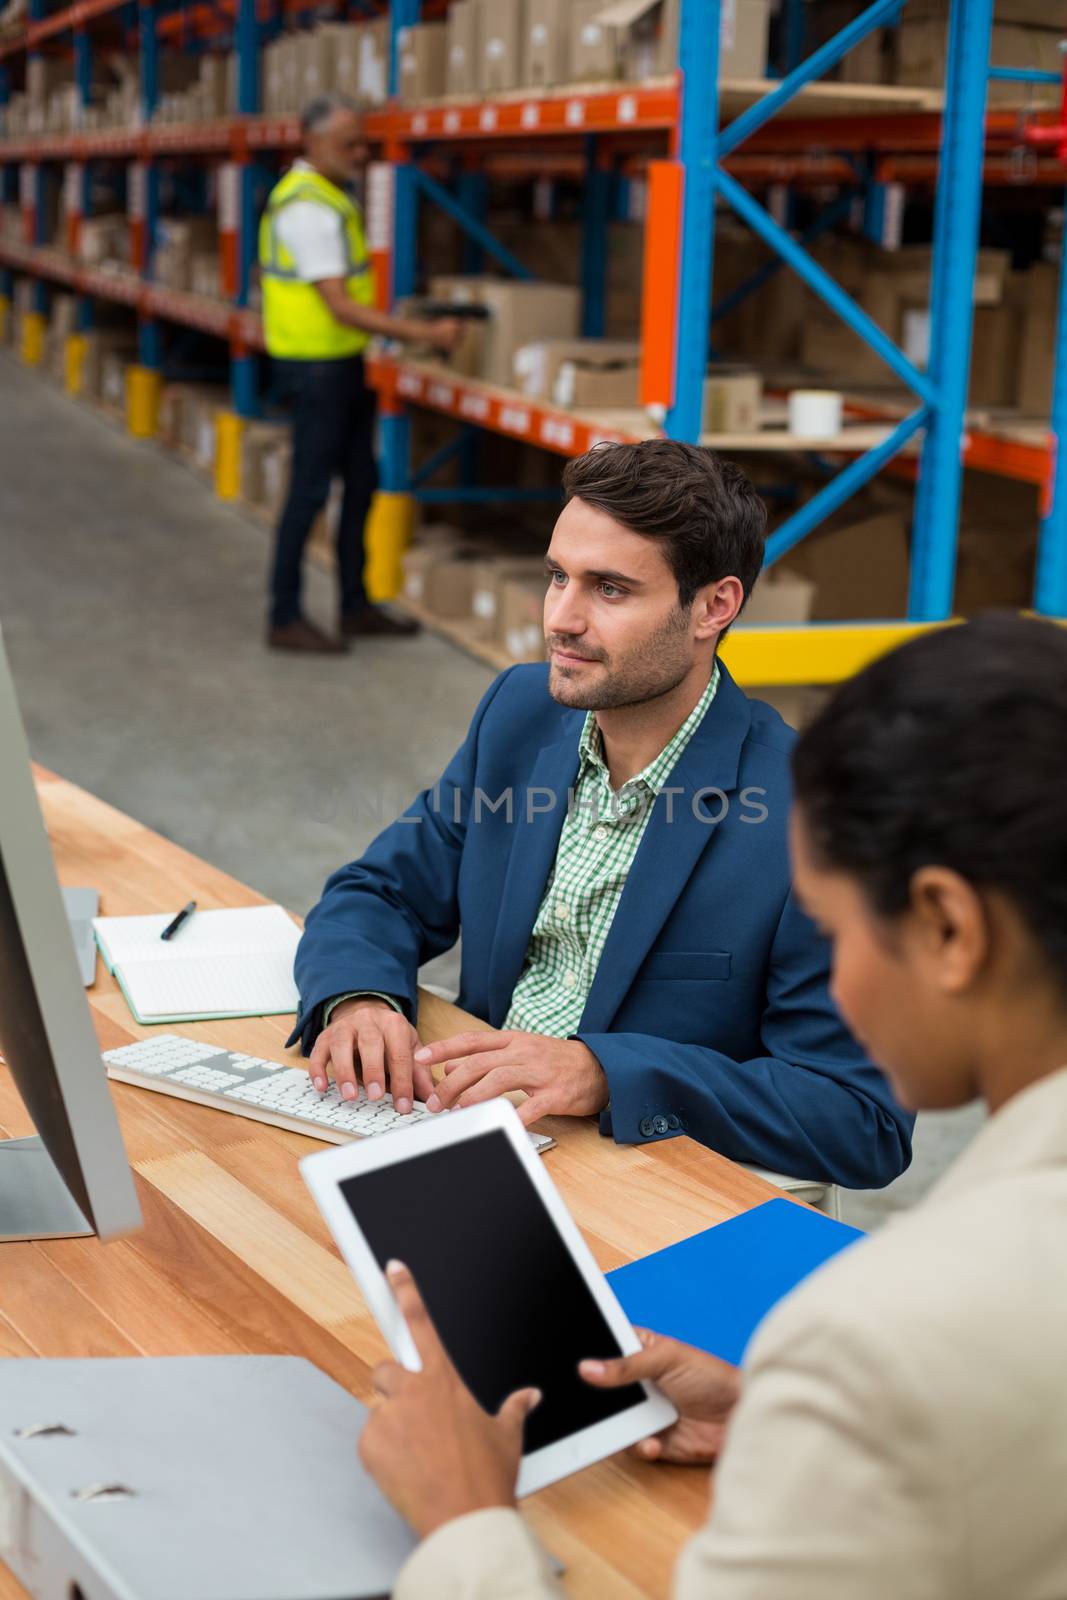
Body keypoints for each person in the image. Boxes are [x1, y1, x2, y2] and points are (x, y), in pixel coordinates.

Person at [357, 611, 1067, 1600]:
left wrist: (465, 1517)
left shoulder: (882, 1337)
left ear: (947, 926)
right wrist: (781, 1412)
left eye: (833, 926)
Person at [289, 439, 911, 1189]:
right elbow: (379, 891)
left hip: (651, 1180)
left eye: (609, 590)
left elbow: (859, 1119)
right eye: (557, 577)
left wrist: (607, 1071)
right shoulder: (518, 714)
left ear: (714, 606)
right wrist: (357, 998)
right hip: (477, 1135)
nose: (561, 619)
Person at [259, 95, 461, 654]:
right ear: (313, 142)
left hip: (340, 364)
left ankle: (354, 605)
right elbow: (339, 304)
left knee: (362, 481)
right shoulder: (307, 209)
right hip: (316, 367)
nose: (360, 152)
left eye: (362, 142)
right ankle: (284, 615)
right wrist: (426, 336)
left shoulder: (326, 198)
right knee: (309, 492)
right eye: (349, 143)